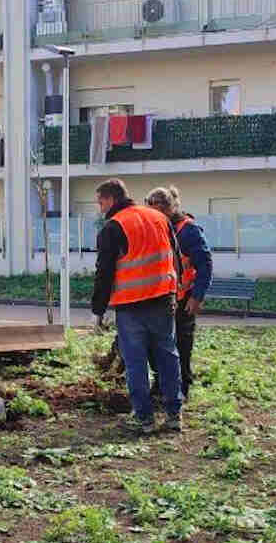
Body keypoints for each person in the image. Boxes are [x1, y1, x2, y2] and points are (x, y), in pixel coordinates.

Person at [90, 178, 183, 434]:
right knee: (168, 356)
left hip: (131, 307)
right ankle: (174, 415)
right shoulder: (158, 217)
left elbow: (104, 272)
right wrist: (176, 292)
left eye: (100, 202)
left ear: (111, 199)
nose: (100, 208)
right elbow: (175, 257)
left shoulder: (113, 227)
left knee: (136, 363)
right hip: (163, 300)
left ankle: (144, 419)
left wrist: (98, 310)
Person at [146, 186, 212, 397]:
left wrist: (197, 296)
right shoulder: (155, 227)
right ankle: (160, 383)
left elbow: (205, 265)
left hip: (183, 300)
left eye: (158, 212)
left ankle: (182, 387)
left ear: (169, 209)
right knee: (156, 346)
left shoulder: (189, 231)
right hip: (158, 298)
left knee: (182, 347)